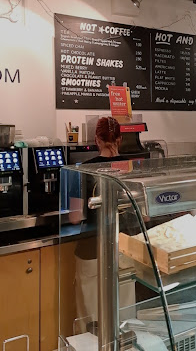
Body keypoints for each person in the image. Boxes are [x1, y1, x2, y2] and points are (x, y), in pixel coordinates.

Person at [71, 116, 135, 333]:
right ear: (120, 139)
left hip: (91, 248)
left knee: (91, 319)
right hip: (124, 247)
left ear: (97, 139)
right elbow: (143, 216)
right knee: (124, 315)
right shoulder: (131, 167)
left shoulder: (81, 170)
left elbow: (74, 217)